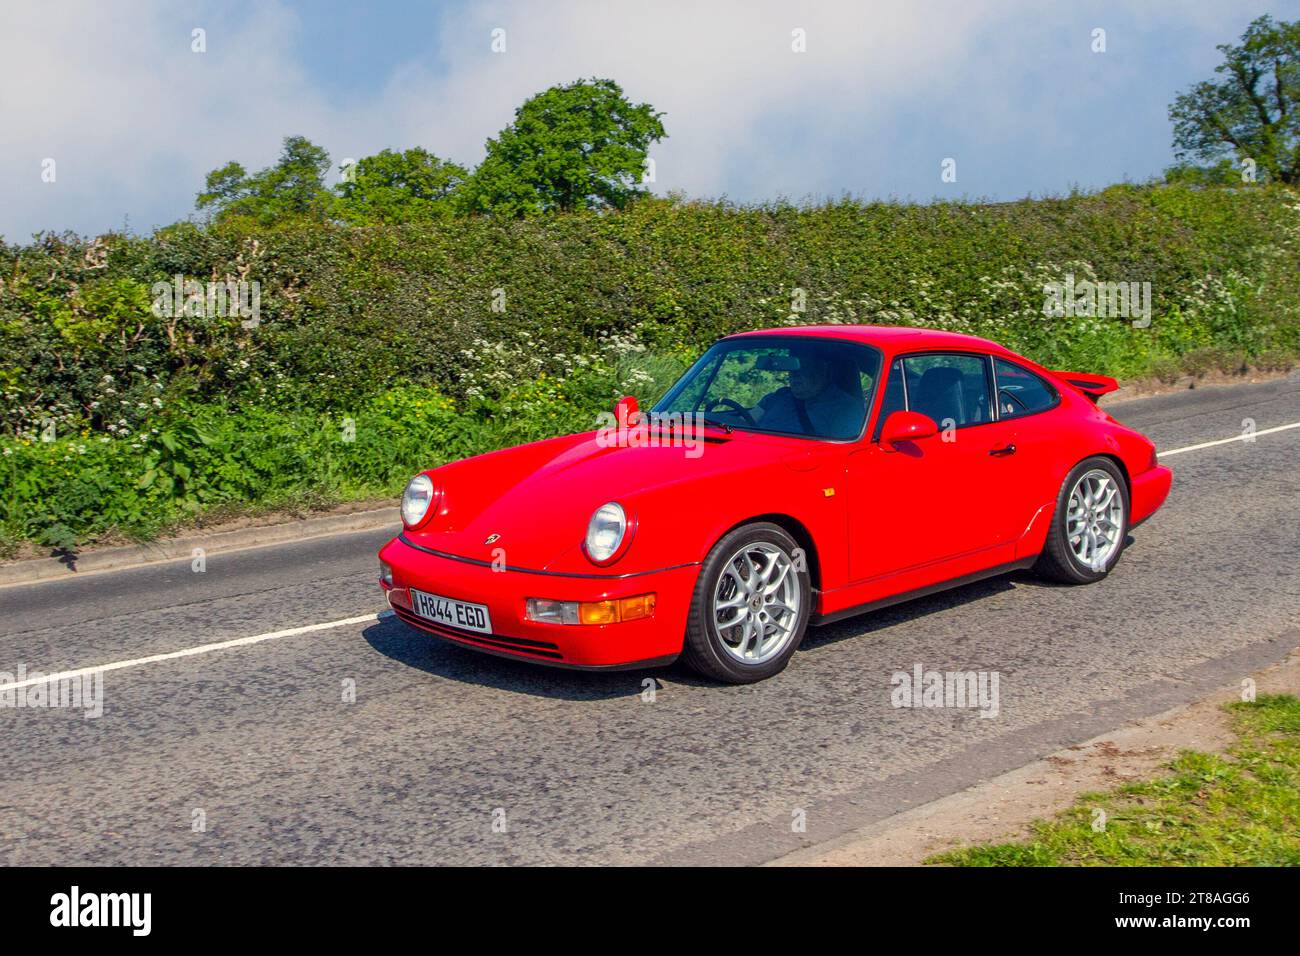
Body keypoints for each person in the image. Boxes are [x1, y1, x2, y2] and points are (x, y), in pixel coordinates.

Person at [752, 353, 863, 437]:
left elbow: (844, 453)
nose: (794, 375)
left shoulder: (845, 408)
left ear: (822, 371)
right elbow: (746, 420)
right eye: (792, 369)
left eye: (803, 368)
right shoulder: (779, 396)